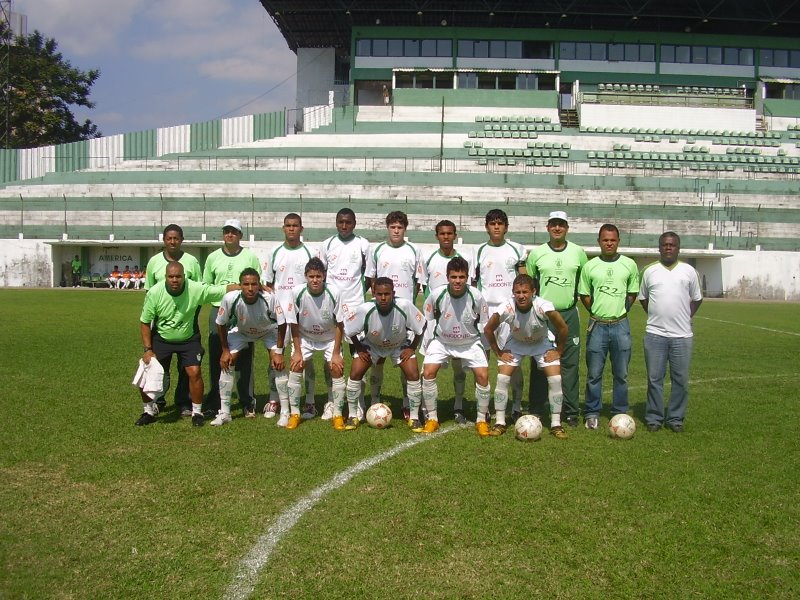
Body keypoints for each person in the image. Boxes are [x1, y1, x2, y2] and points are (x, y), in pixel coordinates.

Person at [135, 262, 237, 426]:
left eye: (178, 276)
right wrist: (147, 350)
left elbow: (223, 289)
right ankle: (148, 411)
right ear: (165, 277)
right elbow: (145, 322)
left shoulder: (195, 288)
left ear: (184, 276)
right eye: (171, 276)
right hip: (161, 338)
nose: (175, 280)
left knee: (194, 371)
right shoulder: (155, 292)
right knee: (147, 373)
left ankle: (197, 412)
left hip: (188, 339)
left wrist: (252, 286)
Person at [484, 274, 570, 439]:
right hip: (516, 343)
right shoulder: (507, 308)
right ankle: (500, 422)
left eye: (525, 292)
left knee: (555, 379)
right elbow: (488, 329)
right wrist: (499, 352)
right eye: (517, 292)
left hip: (541, 343)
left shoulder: (543, 306)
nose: (521, 296)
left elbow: (563, 328)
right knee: (502, 377)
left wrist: (558, 351)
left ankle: (556, 424)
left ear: (533, 292)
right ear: (513, 293)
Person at [525, 211, 588, 427]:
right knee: (539, 363)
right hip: (543, 315)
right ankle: (537, 408)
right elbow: (532, 285)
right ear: (548, 227)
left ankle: (570, 411)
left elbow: (582, 283)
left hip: (569, 313)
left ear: (567, 228)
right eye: (553, 224)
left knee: (569, 363)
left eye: (561, 224)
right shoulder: (537, 254)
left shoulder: (578, 253)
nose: (557, 228)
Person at [638, 232, 702, 433]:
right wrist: (656, 315)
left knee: (680, 380)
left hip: (682, 336)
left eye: (672, 245)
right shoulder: (649, 271)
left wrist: (686, 316)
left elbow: (697, 298)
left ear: (678, 248)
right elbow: (643, 298)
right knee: (654, 379)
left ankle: (675, 418)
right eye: (664, 245)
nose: (668, 248)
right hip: (655, 334)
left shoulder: (689, 271)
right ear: (659, 248)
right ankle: (654, 418)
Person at [578, 224, 640, 430]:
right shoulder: (590, 266)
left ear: (618, 241)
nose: (609, 243)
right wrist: (596, 312)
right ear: (599, 242)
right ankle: (592, 412)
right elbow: (584, 295)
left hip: (621, 325)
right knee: (594, 373)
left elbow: (632, 293)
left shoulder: (629, 265)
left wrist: (620, 312)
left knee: (621, 373)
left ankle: (619, 412)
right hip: (597, 326)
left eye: (613, 240)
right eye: (605, 240)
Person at [342, 277, 424, 430]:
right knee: (355, 373)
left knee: (413, 374)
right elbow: (349, 328)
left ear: (393, 293)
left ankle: (414, 417)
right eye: (379, 294)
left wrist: (412, 348)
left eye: (387, 294)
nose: (383, 297)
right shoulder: (366, 309)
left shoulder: (404, 305)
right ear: (374, 293)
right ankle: (353, 416)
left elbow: (421, 326)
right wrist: (359, 348)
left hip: (398, 345)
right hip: (372, 345)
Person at [421, 256, 490, 435]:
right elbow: (428, 318)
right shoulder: (437, 294)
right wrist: (429, 343)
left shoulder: (476, 295)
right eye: (453, 277)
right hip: (442, 341)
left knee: (482, 376)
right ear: (447, 277)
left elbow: (484, 322)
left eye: (461, 277)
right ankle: (432, 418)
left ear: (467, 277)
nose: (457, 281)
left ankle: (482, 420)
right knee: (428, 372)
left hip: (470, 342)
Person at [211, 268, 287, 427]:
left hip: (267, 331)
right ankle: (225, 412)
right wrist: (225, 350)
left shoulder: (269, 298)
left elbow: (282, 323)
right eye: (246, 284)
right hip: (242, 332)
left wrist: (279, 352)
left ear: (259, 285)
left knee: (277, 364)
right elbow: (220, 323)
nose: (250, 288)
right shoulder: (230, 298)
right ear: (240, 285)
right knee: (228, 362)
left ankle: (284, 411)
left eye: (254, 284)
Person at [202, 219, 261, 418]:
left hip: (244, 311)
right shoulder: (212, 258)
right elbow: (205, 290)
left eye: (234, 232)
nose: (230, 235)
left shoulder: (250, 257)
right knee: (217, 356)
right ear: (223, 234)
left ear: (240, 235)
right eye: (227, 231)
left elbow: (257, 285)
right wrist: (227, 289)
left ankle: (247, 401)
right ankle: (214, 401)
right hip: (219, 309)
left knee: (245, 358)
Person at [365, 210, 422, 413]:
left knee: (405, 359)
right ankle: (374, 398)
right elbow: (371, 279)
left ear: (405, 229)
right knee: (378, 358)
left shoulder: (415, 250)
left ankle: (407, 403)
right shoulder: (377, 250)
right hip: (381, 313)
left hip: (404, 314)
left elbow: (418, 282)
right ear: (387, 228)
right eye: (393, 227)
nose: (396, 231)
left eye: (400, 227)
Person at [263, 213, 318, 420]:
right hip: (280, 317)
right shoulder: (274, 253)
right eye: (288, 225)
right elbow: (268, 286)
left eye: (295, 225)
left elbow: (318, 280)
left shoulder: (311, 252)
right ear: (283, 228)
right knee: (276, 356)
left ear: (301, 229)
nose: (292, 229)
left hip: (304, 316)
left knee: (306, 358)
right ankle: (274, 399)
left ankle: (310, 401)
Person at [419, 220, 474, 424]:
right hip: (434, 321)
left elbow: (472, 285)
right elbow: (423, 287)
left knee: (459, 366)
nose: (446, 237)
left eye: (450, 233)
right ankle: (427, 408)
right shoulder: (428, 257)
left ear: (455, 234)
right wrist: (428, 317)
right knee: (429, 366)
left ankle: (458, 405)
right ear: (437, 236)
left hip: (459, 319)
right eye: (442, 234)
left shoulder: (466, 257)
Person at [318, 208, 371, 418]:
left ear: (354, 223)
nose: (344, 226)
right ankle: (332, 400)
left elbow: (369, 275)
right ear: (336, 223)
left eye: (348, 222)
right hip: (330, 306)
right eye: (340, 222)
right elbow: (320, 273)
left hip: (355, 305)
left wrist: (356, 295)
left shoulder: (363, 244)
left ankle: (358, 401)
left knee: (359, 353)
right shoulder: (327, 244)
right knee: (332, 352)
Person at [144, 224, 202, 415]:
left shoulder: (192, 261)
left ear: (182, 240)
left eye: (176, 238)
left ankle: (183, 401)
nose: (172, 242)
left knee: (188, 368)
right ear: (164, 240)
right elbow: (150, 293)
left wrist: (189, 313)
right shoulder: (154, 262)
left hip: (187, 322)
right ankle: (159, 400)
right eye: (169, 238)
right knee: (160, 366)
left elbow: (199, 291)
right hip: (161, 323)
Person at [284, 258, 347, 430]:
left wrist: (335, 353)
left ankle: (337, 413)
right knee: (296, 366)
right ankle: (295, 413)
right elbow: (293, 323)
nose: (315, 280)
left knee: (335, 367)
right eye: (311, 276)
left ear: (324, 276)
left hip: (329, 338)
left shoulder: (335, 292)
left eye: (318, 276)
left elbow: (340, 324)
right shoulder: (296, 292)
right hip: (304, 337)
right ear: (305, 276)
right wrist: (297, 351)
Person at [474, 209, 525, 416]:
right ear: (486, 227)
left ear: (506, 227)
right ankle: (483, 407)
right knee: (481, 360)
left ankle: (516, 406)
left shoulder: (517, 249)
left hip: (509, 311)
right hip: (486, 312)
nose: (496, 227)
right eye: (492, 223)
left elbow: (524, 280)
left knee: (511, 359)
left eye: (500, 223)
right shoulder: (477, 251)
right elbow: (473, 282)